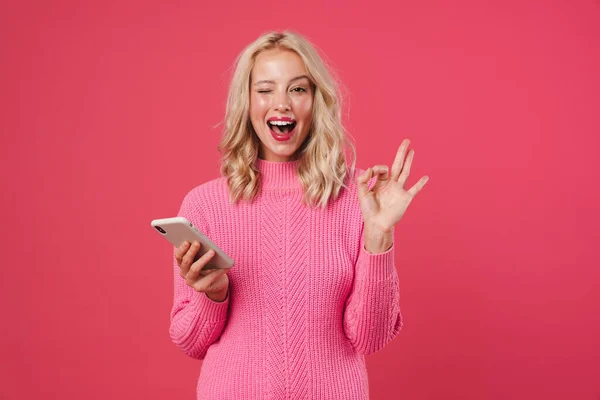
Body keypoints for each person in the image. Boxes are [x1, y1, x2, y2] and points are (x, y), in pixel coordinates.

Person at [169, 30, 429, 400]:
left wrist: (379, 236)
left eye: (297, 89)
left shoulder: (359, 198)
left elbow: (370, 338)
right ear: (246, 102)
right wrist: (213, 295)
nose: (282, 104)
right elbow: (190, 341)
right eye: (265, 89)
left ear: (315, 101)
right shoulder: (204, 206)